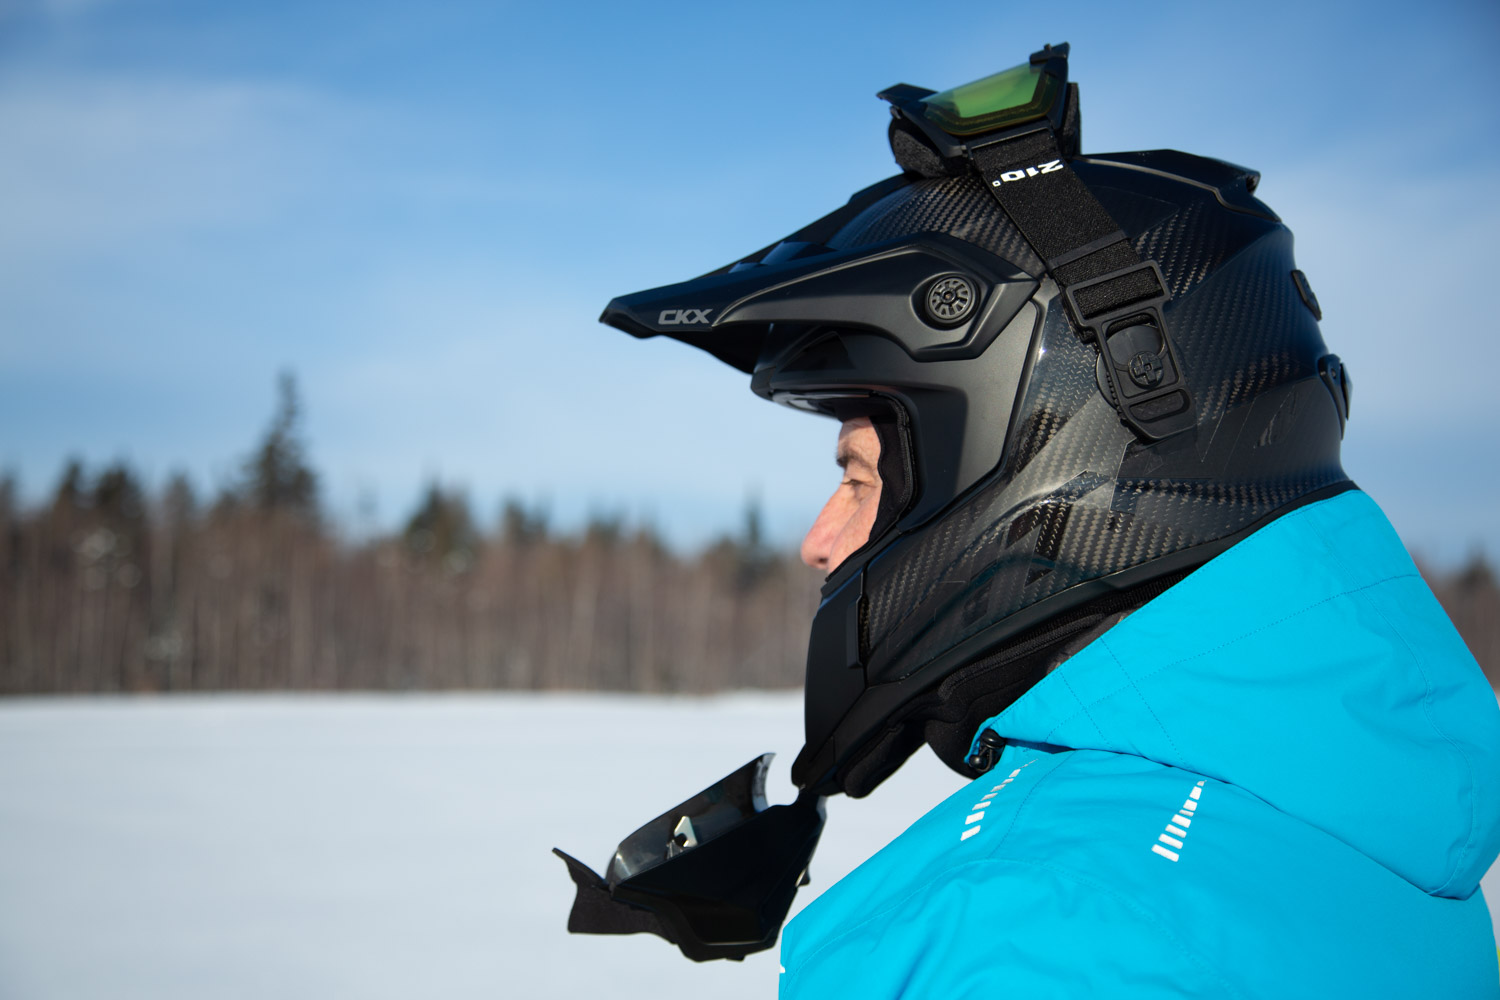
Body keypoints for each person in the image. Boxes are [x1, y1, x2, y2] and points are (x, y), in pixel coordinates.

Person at [561, 44, 1500, 994]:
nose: (820, 539)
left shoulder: (1015, 936)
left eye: (856, 476)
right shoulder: (1381, 823)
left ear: (1042, 450)